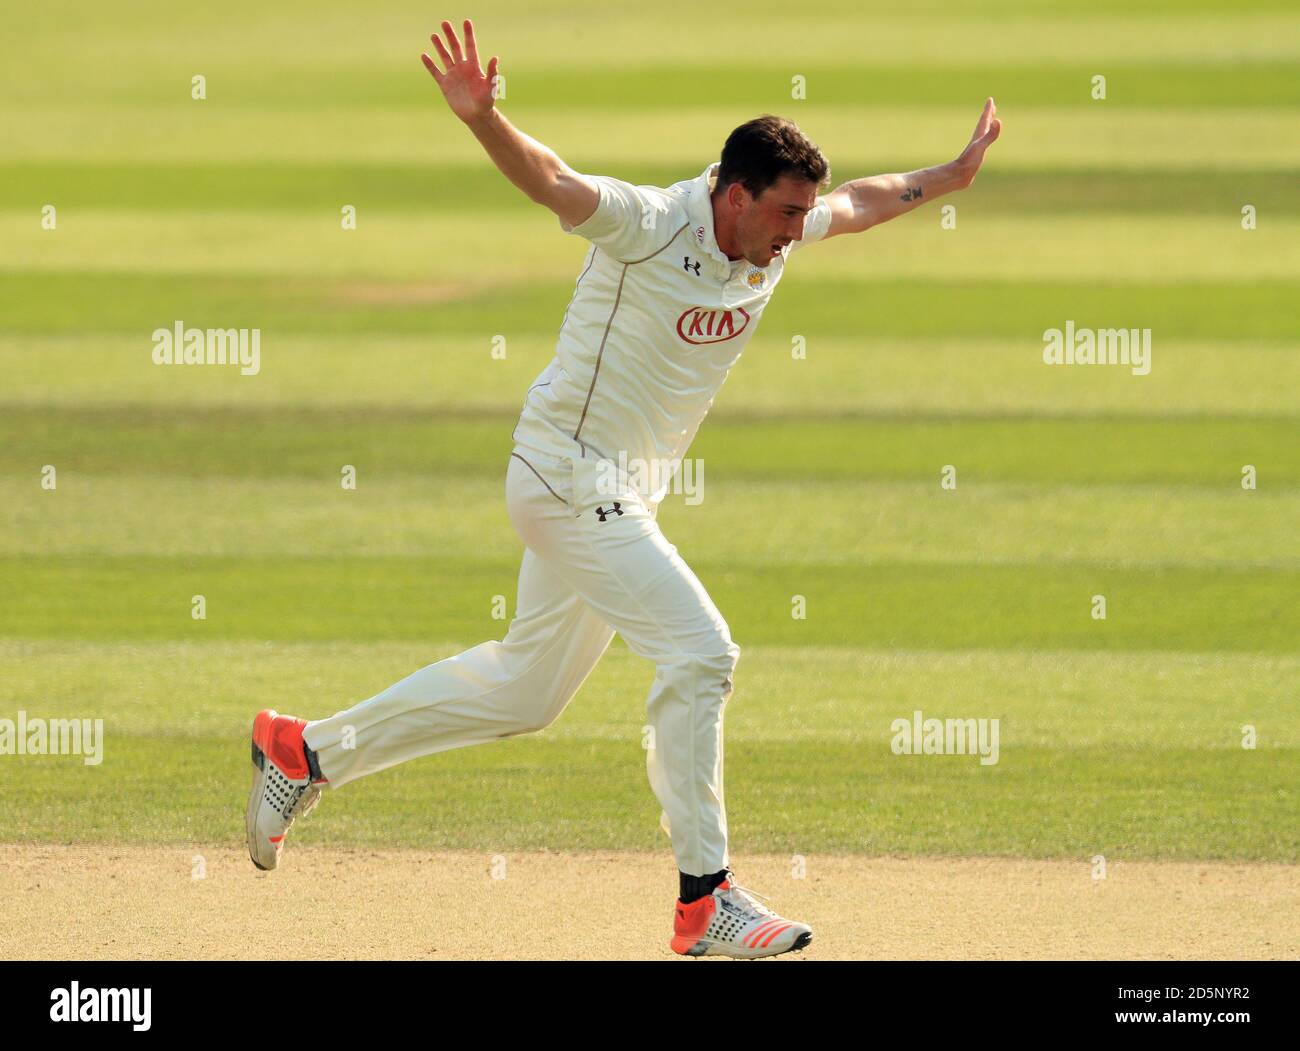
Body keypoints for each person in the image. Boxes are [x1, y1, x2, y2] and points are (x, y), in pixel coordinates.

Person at [246, 18, 1001, 959]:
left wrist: (950, 176)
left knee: (526, 692)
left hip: (613, 493)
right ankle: (705, 896)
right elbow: (554, 179)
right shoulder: (649, 223)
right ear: (730, 195)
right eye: (783, 214)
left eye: (800, 216)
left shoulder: (780, 236)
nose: (799, 231)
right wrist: (485, 120)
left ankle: (303, 751)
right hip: (566, 472)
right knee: (703, 652)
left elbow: (864, 199)